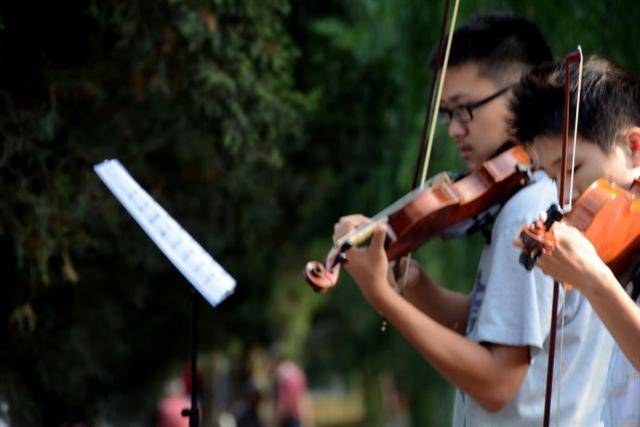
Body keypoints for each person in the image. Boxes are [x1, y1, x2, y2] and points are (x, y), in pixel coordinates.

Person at [333, 12, 613, 425]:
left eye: (464, 110)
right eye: (446, 114)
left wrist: (383, 298)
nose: (452, 130)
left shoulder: (530, 208)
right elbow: (495, 325)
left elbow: (497, 383)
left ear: (520, 94)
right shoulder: (542, 193)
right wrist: (413, 285)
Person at [510, 54, 640, 426]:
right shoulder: (623, 252)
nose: (565, 197)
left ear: (634, 148)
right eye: (553, 178)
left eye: (574, 169)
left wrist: (591, 279)